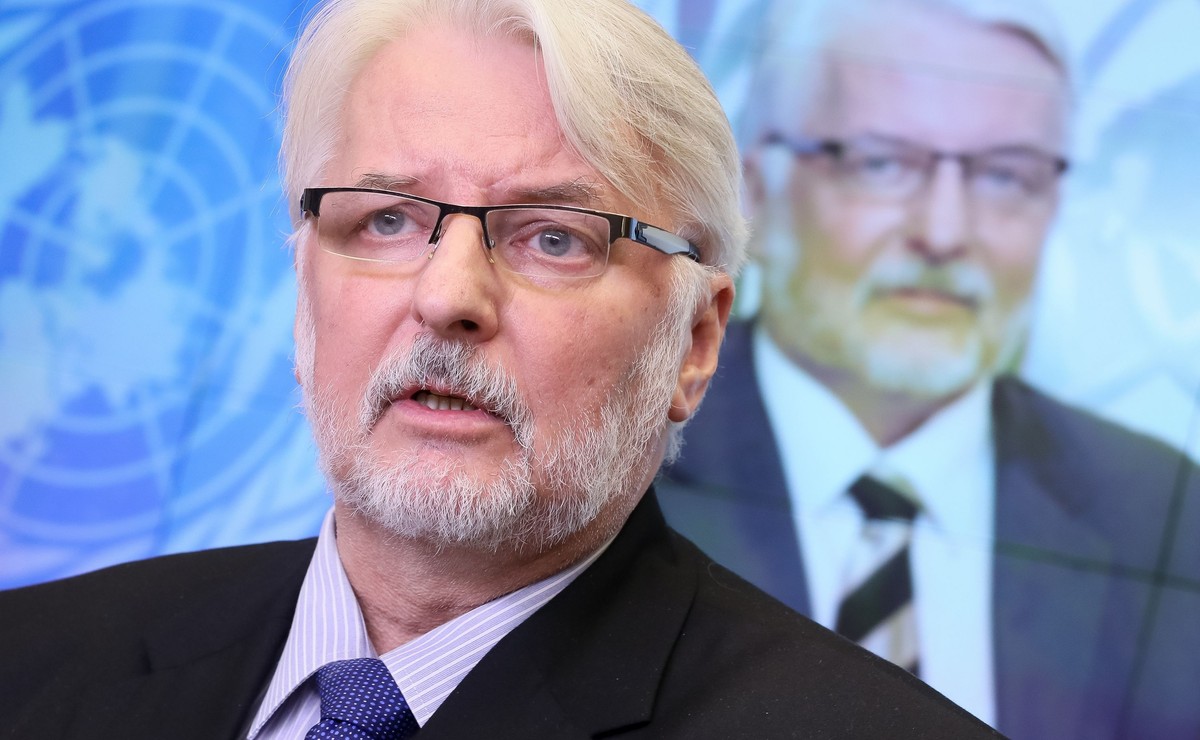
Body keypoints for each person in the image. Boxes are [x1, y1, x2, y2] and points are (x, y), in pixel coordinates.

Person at [0, 0, 1001, 738]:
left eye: (554, 238)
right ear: (304, 288)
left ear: (694, 342)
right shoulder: (30, 664)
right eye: (387, 221)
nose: (448, 296)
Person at [658, 0, 1200, 738]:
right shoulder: (622, 465)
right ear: (758, 194)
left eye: (1005, 176)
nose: (944, 233)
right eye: (882, 164)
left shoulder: (1164, 514)